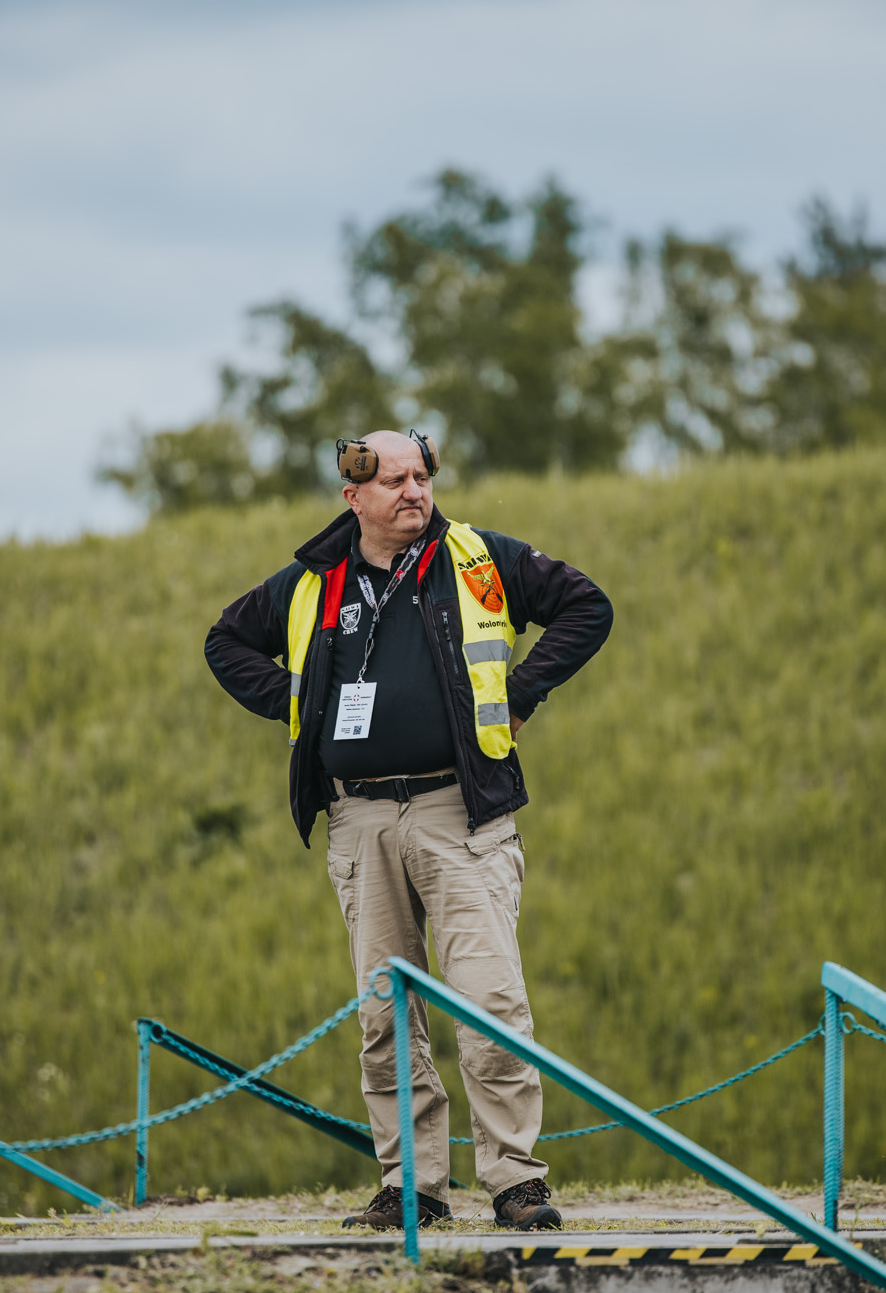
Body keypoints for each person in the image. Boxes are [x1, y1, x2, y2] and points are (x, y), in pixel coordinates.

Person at [205, 429, 613, 1231]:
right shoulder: (312, 581)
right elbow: (225, 642)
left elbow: (586, 606)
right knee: (384, 1014)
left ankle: (516, 1182)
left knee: (491, 1002)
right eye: (393, 480)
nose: (414, 492)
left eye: (421, 476)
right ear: (353, 495)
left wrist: (522, 694)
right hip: (359, 818)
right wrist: (301, 704)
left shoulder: (477, 558)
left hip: (459, 812)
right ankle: (414, 1189)